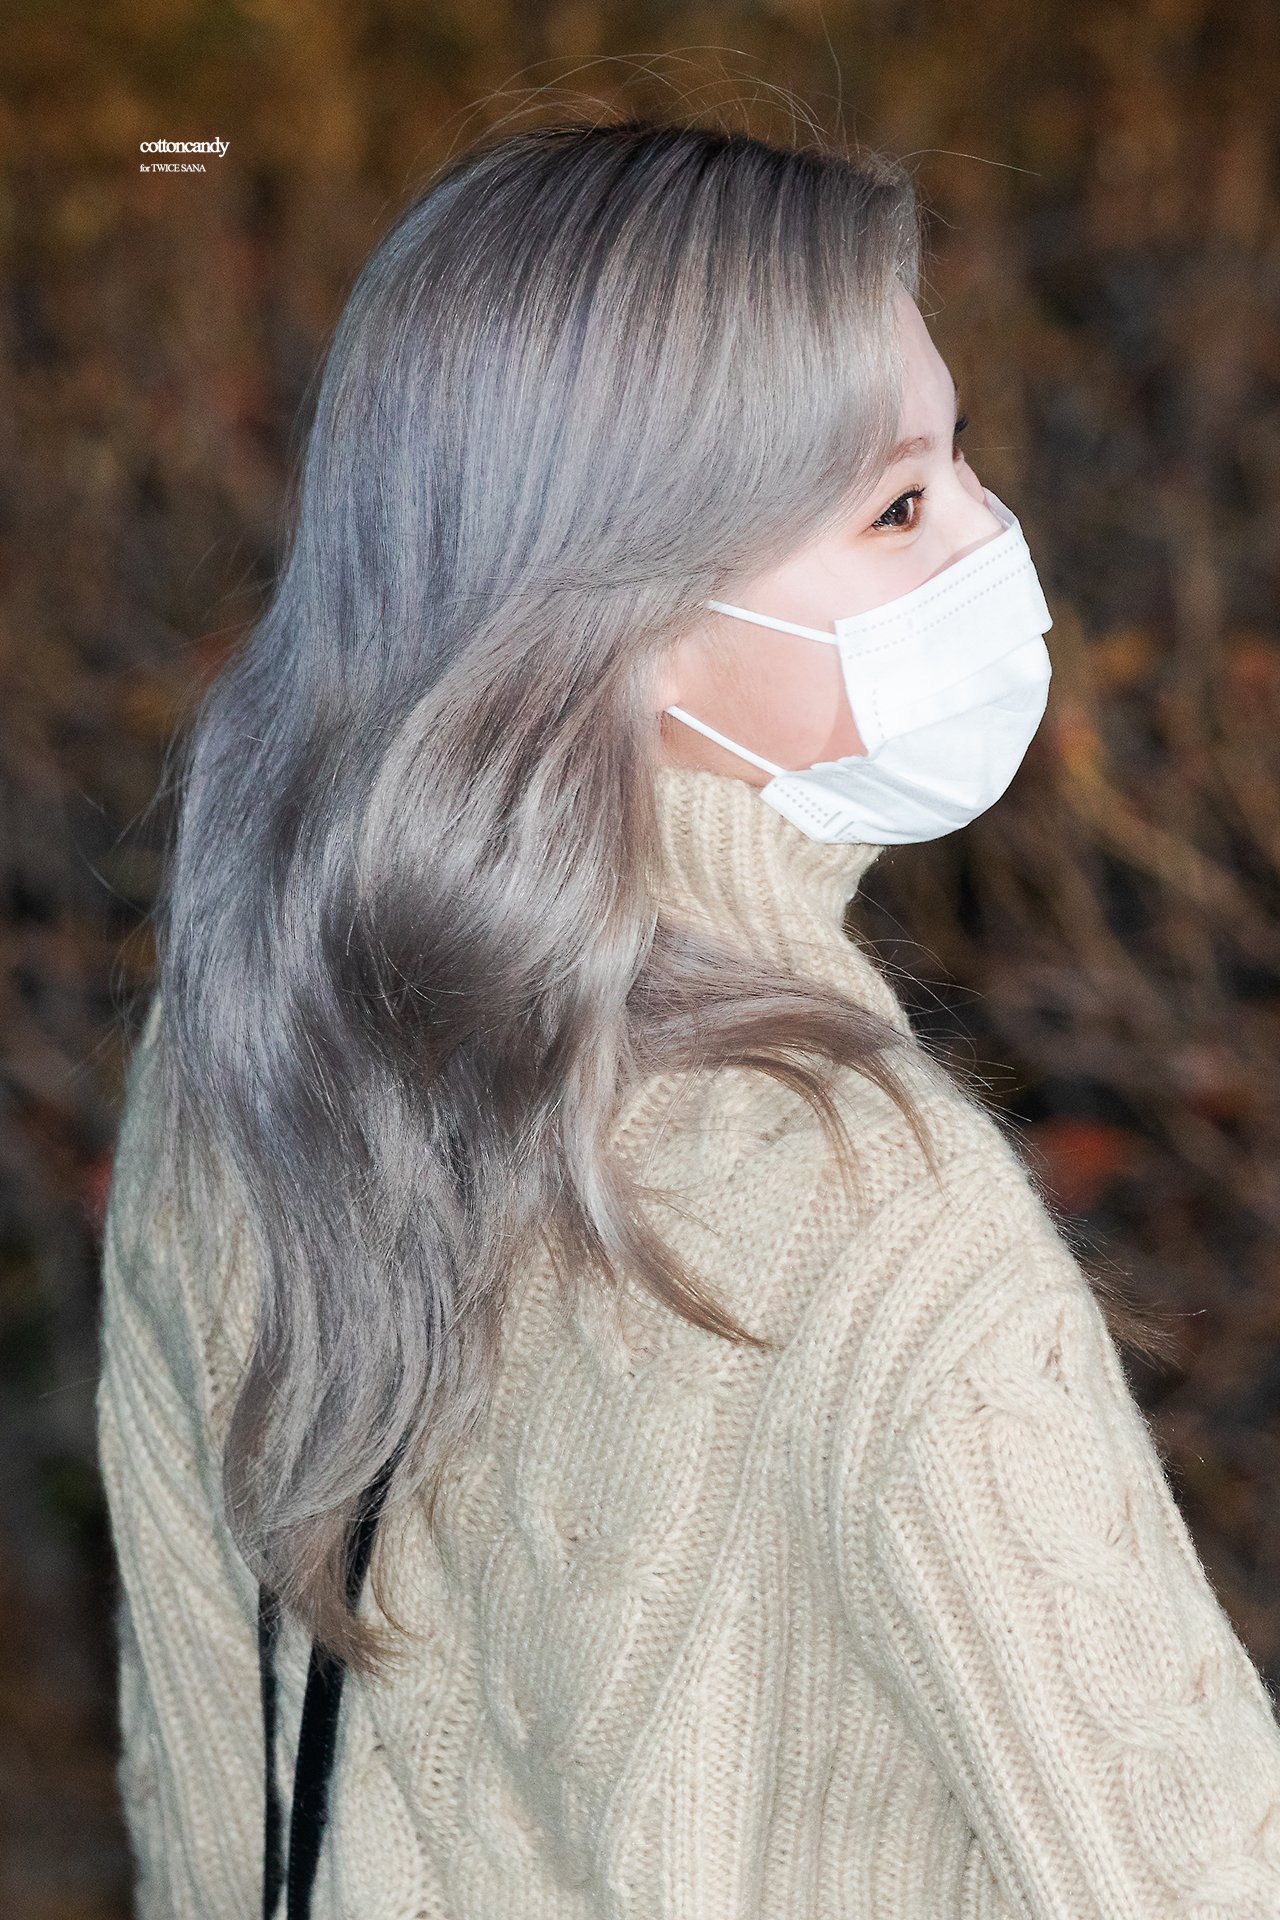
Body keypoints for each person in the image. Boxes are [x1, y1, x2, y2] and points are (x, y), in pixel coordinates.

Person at [97, 115, 1280, 1920]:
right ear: (620, 623)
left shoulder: (241, 1060)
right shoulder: (874, 1208)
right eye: (899, 509)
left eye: (961, 457)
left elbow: (204, 1795)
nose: (993, 538)